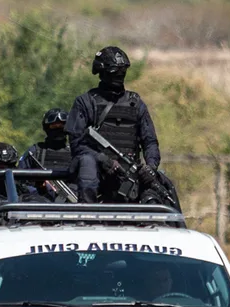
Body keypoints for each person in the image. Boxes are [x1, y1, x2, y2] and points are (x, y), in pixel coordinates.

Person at [66, 46, 162, 204]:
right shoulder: (86, 102)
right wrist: (103, 160)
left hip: (128, 173)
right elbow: (76, 143)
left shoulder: (135, 103)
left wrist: (150, 167)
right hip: (97, 173)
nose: (119, 75)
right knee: (87, 162)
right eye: (114, 72)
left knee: (161, 190)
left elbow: (150, 141)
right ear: (102, 72)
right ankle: (87, 212)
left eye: (122, 71)